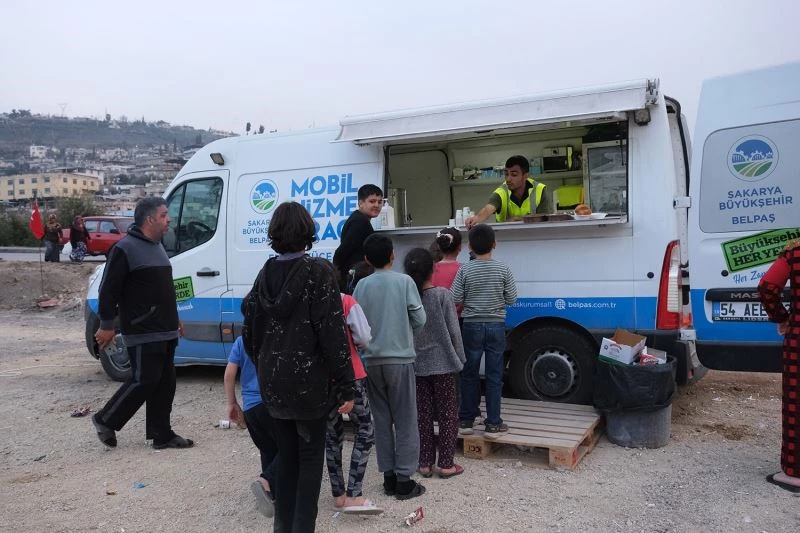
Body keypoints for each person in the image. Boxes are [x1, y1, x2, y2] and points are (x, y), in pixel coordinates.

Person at [241, 201, 354, 533]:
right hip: (308, 388)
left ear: (274, 234)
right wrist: (345, 385)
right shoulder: (318, 273)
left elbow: (249, 329)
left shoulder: (264, 275)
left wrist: (265, 364)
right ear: (307, 232)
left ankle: (283, 527)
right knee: (308, 463)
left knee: (287, 460)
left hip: (273, 386)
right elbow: (333, 334)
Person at [91, 197, 193, 450]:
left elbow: (164, 289)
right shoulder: (125, 248)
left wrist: (175, 316)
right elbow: (108, 289)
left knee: (166, 384)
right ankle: (105, 419)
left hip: (165, 328)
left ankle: (162, 434)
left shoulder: (157, 246)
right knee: (144, 380)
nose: (168, 219)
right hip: (143, 328)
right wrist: (106, 325)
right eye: (163, 215)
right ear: (149, 219)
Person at [353, 233, 427, 500]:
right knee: (406, 419)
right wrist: (405, 333)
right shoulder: (404, 281)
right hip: (400, 359)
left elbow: (355, 323)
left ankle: (388, 477)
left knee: (381, 419)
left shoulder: (361, 286)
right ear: (393, 255)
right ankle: (405, 481)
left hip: (371, 361)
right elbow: (419, 318)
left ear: (366, 259)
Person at [404, 248, 466, 479]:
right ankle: (447, 463)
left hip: (417, 363)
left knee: (423, 413)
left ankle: (424, 462)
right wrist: (460, 357)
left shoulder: (408, 297)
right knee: (448, 413)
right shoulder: (442, 295)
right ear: (433, 269)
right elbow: (453, 330)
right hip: (443, 363)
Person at [451, 224, 517, 438]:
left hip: (471, 325)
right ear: (495, 245)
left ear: (469, 246)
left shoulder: (465, 269)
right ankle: (493, 424)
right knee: (495, 375)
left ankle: (466, 421)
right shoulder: (503, 269)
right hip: (496, 326)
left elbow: (454, 298)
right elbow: (512, 299)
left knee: (469, 373)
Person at [325, 292, 382, 515]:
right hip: (352, 375)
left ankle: (338, 495)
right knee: (365, 430)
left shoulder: (308, 301)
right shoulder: (346, 301)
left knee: (332, 434)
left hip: (322, 380)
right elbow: (364, 337)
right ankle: (354, 494)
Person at [758, 238, 800, 493]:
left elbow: (767, 287)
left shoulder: (794, 252)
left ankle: (795, 474)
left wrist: (782, 317)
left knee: (797, 403)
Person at [224, 334, 278, 518]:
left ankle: (271, 495)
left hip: (250, 408)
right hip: (271, 404)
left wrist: (232, 403)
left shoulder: (241, 340)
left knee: (267, 449)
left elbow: (229, 374)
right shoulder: (273, 336)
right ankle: (266, 481)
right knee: (290, 449)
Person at [465, 155, 550, 228]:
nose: (508, 179)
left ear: (525, 176)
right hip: (506, 239)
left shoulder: (540, 190)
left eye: (514, 175)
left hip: (536, 238)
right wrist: (477, 218)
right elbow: (489, 208)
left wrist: (521, 219)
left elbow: (546, 218)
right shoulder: (501, 192)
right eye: (506, 174)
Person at [332, 184, 383, 292]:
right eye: (372, 201)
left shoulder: (360, 220)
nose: (377, 205)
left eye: (379, 201)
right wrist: (337, 278)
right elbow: (342, 251)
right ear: (360, 203)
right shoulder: (359, 222)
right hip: (353, 282)